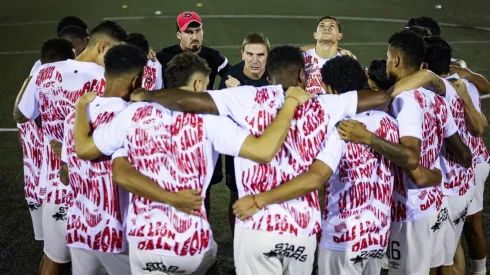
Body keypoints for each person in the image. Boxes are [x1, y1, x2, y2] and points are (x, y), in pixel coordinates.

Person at [73, 51, 313, 275]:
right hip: (190, 243)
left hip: (144, 243)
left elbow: (86, 151)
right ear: (199, 84)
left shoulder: (132, 115)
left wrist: (81, 106)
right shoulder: (210, 122)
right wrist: (290, 103)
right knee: (209, 262)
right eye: (207, 83)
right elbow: (263, 151)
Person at [338, 30, 471, 275]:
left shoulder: (404, 101)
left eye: (388, 57)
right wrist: (437, 176)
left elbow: (412, 157)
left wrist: (368, 138)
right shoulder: (436, 98)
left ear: (396, 59)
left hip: (411, 209)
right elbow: (464, 154)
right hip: (435, 203)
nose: (387, 62)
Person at [13, 20, 128, 275]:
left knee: (53, 262)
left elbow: (21, 114)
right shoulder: (107, 81)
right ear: (103, 47)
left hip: (55, 187)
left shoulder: (45, 71)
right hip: (93, 191)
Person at [59, 44, 147, 275]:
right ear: (136, 80)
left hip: (80, 227)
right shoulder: (130, 118)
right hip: (118, 235)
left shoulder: (74, 116)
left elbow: (65, 175)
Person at [156, 11, 232, 218]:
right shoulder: (162, 57)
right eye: (188, 32)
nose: (194, 35)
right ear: (178, 35)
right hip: (172, 128)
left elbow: (233, 75)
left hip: (204, 127)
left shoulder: (214, 57)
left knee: (205, 184)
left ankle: (202, 225)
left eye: (197, 30)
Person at [12, 37, 75, 275]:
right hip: (68, 189)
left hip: (47, 187)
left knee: (54, 257)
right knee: (61, 260)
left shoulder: (38, 84)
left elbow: (19, 117)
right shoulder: (76, 82)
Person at [302, 16, 344, 94]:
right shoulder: (300, 58)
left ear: (339, 36)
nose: (326, 28)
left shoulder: (345, 64)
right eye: (322, 26)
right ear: (315, 35)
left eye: (332, 26)